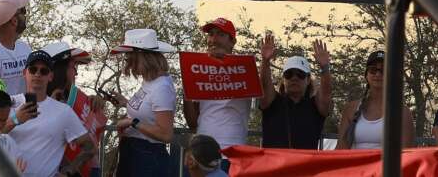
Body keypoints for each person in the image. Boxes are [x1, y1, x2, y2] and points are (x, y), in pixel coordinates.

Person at [7, 50, 96, 177]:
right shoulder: (9, 103)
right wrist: (15, 120)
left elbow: (90, 147)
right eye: (33, 69)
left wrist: (69, 171)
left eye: (44, 71)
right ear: (24, 73)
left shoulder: (63, 112)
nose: (38, 74)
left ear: (51, 76)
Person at [182, 18, 251, 169]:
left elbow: (265, 99)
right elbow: (192, 123)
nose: (213, 39)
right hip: (200, 154)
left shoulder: (245, 68)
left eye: (220, 34)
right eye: (211, 34)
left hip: (231, 155)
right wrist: (187, 88)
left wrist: (265, 62)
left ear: (233, 41)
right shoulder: (198, 70)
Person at [106, 30, 176, 176]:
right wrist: (126, 103)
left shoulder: (161, 87)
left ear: (142, 58)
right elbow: (149, 110)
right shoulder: (150, 80)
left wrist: (133, 122)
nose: (128, 65)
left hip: (147, 158)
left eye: (129, 59)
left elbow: (166, 134)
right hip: (134, 152)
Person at [258, 32, 332, 149]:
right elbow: (264, 85)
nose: (294, 78)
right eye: (289, 74)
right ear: (283, 79)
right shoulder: (273, 102)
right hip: (273, 165)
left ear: (308, 80)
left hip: (304, 166)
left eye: (300, 74)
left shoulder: (315, 106)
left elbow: (326, 93)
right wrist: (265, 61)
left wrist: (325, 68)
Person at [336, 51, 414, 150]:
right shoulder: (351, 108)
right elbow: (341, 148)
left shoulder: (402, 112)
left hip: (386, 165)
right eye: (373, 70)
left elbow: (406, 154)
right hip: (356, 165)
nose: (378, 74)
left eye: (383, 70)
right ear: (366, 75)